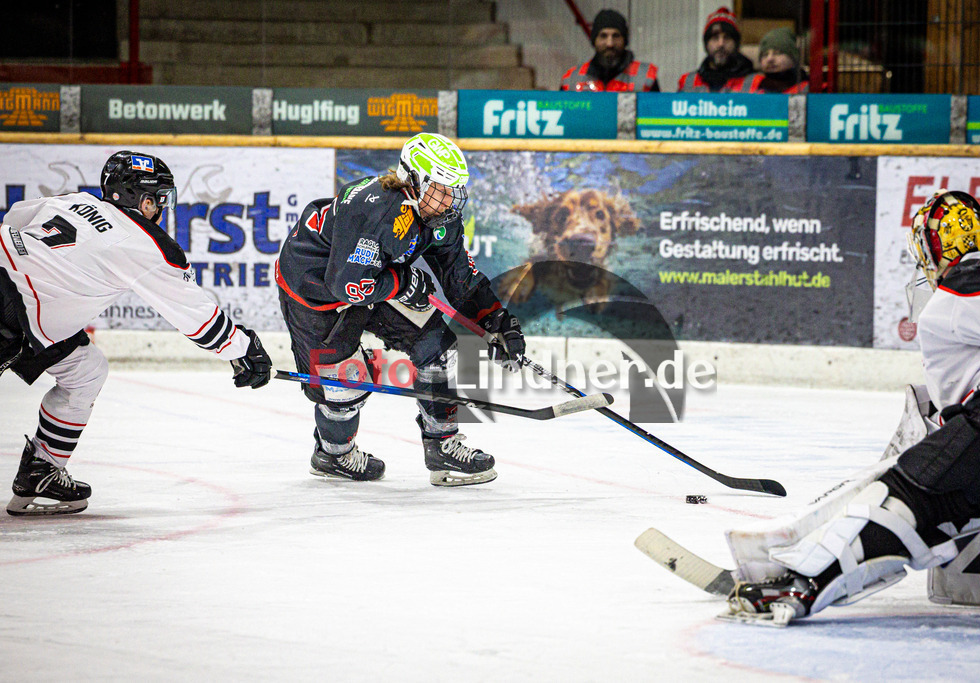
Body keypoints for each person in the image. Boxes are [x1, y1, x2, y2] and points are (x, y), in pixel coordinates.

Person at [724, 190, 980, 623]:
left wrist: (921, 467)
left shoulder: (945, 307)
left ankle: (805, 583)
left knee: (911, 497)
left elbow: (946, 415)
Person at [0, 150, 272, 516]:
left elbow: (15, 218)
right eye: (159, 200)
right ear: (143, 200)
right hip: (12, 309)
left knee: (85, 370)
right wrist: (244, 347)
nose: (161, 209)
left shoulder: (74, 201)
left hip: (23, 307)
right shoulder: (143, 242)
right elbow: (197, 317)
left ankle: (42, 469)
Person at [275, 133, 525, 486]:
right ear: (415, 180)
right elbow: (346, 285)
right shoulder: (375, 210)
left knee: (438, 348)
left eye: (455, 190)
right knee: (345, 387)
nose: (451, 199)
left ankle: (442, 444)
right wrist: (402, 284)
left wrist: (496, 320)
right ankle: (332, 454)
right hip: (315, 294)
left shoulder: (438, 215)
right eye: (442, 188)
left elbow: (458, 276)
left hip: (373, 282)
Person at [560, 9, 660, 92]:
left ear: (625, 40)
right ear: (594, 40)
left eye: (616, 36)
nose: (610, 44)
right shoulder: (571, 80)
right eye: (603, 36)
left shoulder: (645, 77)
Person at [677, 6, 754, 93]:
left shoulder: (755, 82)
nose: (721, 44)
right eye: (715, 38)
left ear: (736, 44)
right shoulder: (688, 83)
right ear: (706, 45)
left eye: (727, 38)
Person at [734, 28, 809, 94]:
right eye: (765, 55)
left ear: (793, 58)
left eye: (777, 53)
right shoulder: (749, 83)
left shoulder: (806, 89)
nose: (769, 59)